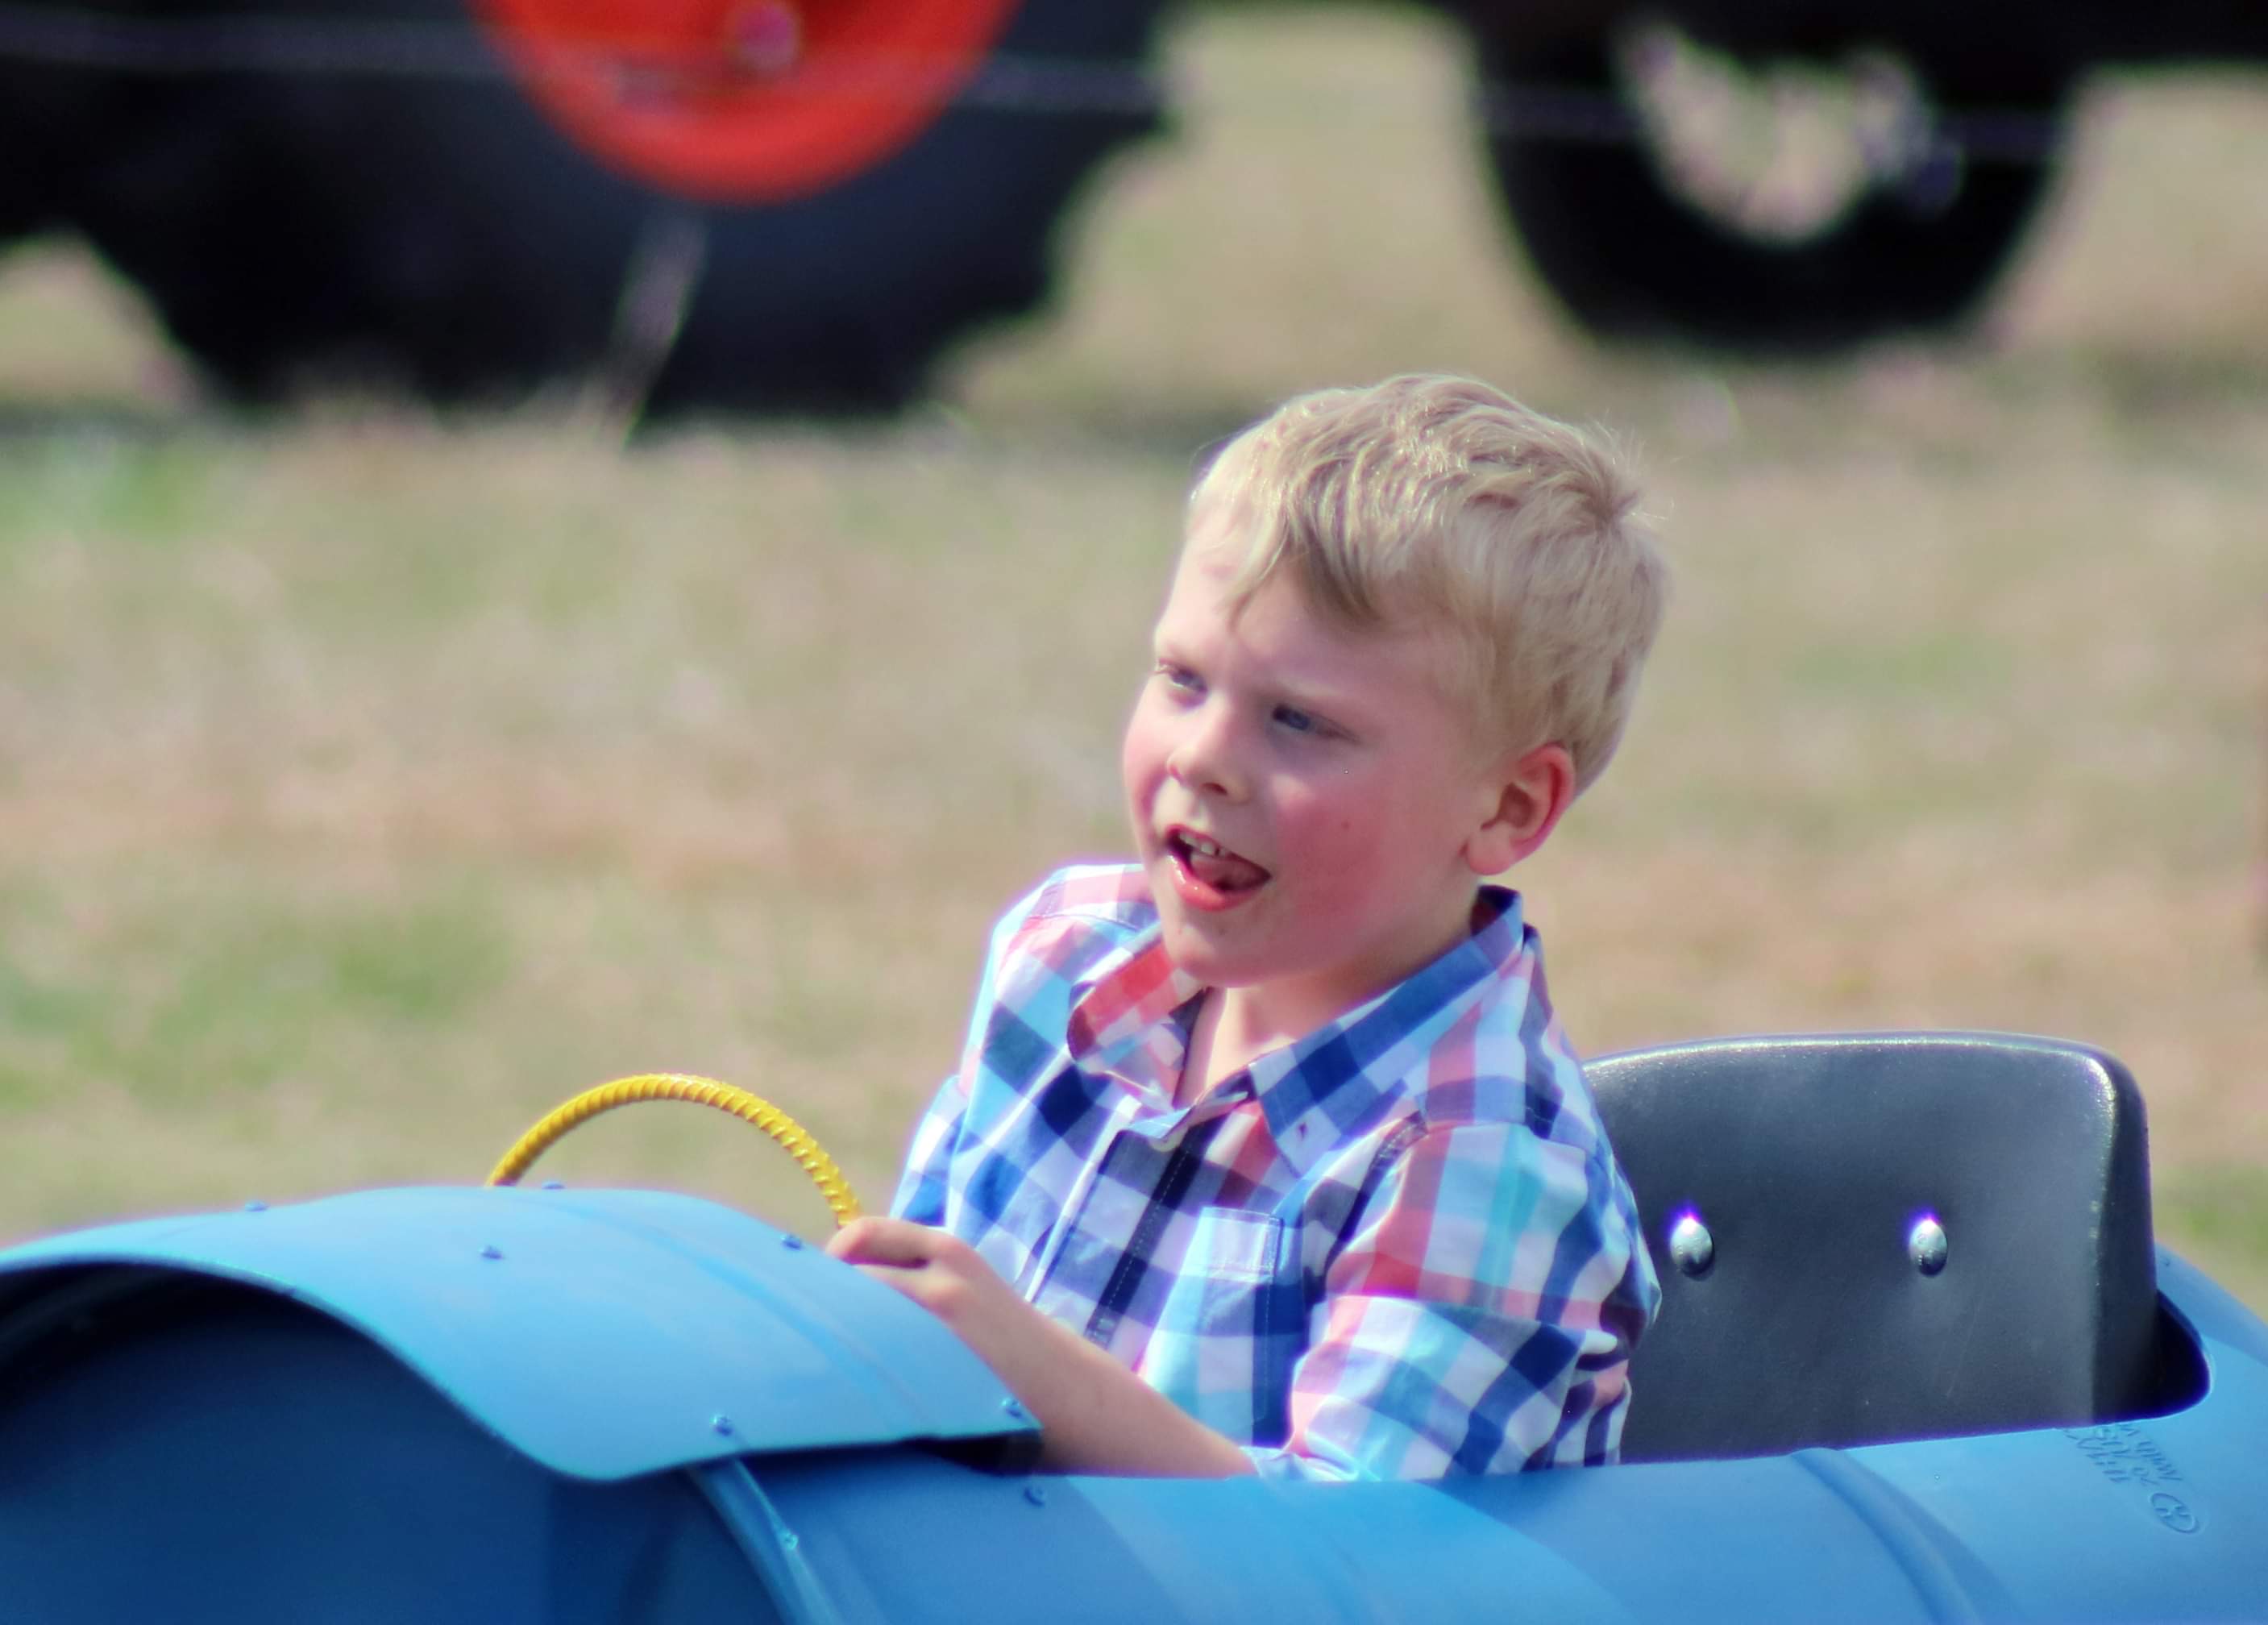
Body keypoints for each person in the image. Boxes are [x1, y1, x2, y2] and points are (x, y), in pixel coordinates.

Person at [827, 374, 1667, 1481]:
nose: (1203, 757)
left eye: (1300, 722)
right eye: (1182, 679)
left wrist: (1037, 1382)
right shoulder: (1061, 959)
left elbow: (1352, 1556)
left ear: (1507, 807)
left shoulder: (1480, 1157)